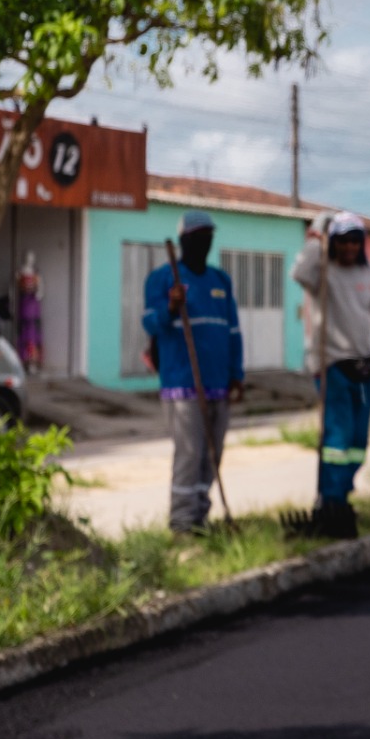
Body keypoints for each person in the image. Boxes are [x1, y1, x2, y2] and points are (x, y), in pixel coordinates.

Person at [142, 209, 244, 534]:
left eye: (209, 237)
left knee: (212, 457)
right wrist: (170, 308)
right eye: (198, 237)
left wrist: (237, 375)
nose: (204, 242)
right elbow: (150, 322)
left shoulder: (220, 281)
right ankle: (182, 524)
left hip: (218, 384)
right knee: (189, 455)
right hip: (183, 384)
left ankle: (202, 517)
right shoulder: (163, 279)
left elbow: (233, 333)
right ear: (185, 240)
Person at [293, 210, 370, 538]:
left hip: (364, 366)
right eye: (343, 241)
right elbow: (299, 273)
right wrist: (314, 238)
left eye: (354, 242)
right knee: (337, 438)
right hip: (333, 365)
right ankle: (330, 505)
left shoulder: (366, 272)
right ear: (334, 243)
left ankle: (342, 495)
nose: (349, 248)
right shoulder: (322, 271)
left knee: (358, 440)